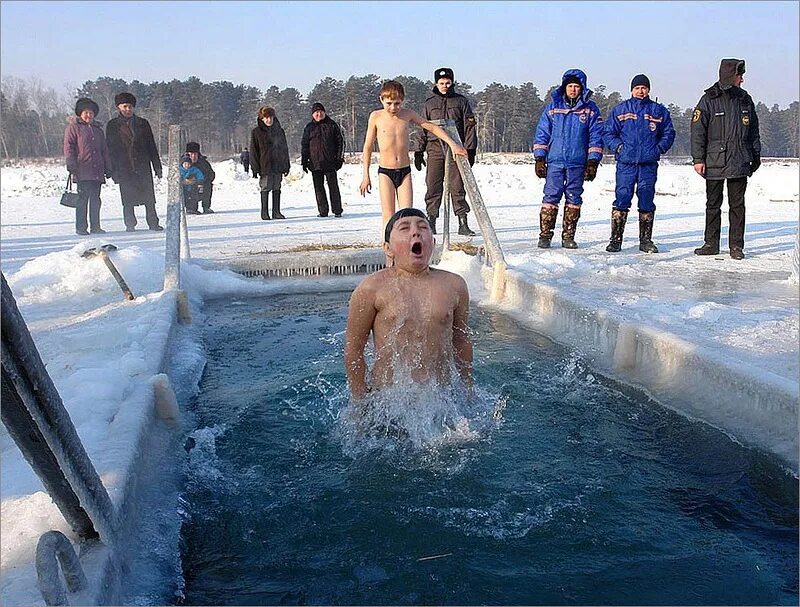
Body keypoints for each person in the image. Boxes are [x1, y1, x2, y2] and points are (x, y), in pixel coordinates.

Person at [344, 208, 473, 403]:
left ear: (433, 242)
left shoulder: (454, 285)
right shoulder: (371, 288)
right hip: (388, 398)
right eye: (404, 228)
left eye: (423, 227)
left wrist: (468, 388)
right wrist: (359, 401)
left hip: (440, 396)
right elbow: (354, 349)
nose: (415, 232)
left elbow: (461, 341)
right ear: (388, 248)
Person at [359, 80, 467, 233]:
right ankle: (389, 249)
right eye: (389, 103)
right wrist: (365, 176)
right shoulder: (376, 117)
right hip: (385, 172)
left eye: (397, 103)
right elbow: (368, 146)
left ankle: (407, 251)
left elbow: (430, 126)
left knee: (406, 215)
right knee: (389, 216)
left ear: (402, 101)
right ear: (381, 99)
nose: (393, 108)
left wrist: (452, 144)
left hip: (404, 171)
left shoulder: (407, 114)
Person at [691, 58, 761, 260]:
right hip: (714, 160)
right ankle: (711, 243)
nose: (742, 80)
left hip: (739, 159)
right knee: (713, 204)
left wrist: (755, 155)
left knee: (737, 206)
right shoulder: (708, 99)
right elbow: (697, 132)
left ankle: (736, 246)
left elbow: (754, 131)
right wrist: (698, 158)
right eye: (740, 76)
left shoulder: (745, 99)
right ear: (731, 76)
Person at [603, 74, 676, 253]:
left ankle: (645, 241)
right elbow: (608, 133)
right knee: (622, 197)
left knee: (646, 199)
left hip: (648, 164)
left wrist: (658, 149)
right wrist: (618, 147)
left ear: (649, 90)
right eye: (637, 88)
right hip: (626, 163)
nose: (640, 91)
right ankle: (616, 240)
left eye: (644, 88)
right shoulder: (621, 110)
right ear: (632, 90)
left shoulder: (658, 111)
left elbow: (669, 132)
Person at [533, 69, 604, 249]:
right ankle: (545, 235)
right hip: (555, 160)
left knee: (574, 197)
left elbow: (596, 136)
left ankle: (568, 236)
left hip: (577, 162)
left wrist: (593, 161)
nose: (573, 89)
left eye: (576, 86)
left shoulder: (590, 109)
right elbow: (542, 133)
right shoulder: (553, 107)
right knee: (551, 196)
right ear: (564, 87)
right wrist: (540, 158)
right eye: (570, 86)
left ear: (582, 88)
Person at [412, 67, 478, 236]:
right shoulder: (429, 103)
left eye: (448, 82)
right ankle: (431, 220)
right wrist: (418, 151)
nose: (445, 86)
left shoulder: (461, 101)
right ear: (436, 83)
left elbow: (469, 127)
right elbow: (422, 127)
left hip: (456, 149)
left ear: (452, 82)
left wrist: (470, 150)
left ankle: (463, 222)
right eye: (441, 83)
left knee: (457, 186)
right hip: (434, 149)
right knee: (433, 186)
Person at [105, 92, 163, 232]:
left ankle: (153, 223)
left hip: (142, 166)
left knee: (149, 198)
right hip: (124, 167)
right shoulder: (112, 125)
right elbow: (110, 149)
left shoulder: (143, 124)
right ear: (118, 107)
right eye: (125, 106)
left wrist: (157, 167)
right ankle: (130, 225)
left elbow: (151, 146)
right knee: (127, 199)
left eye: (130, 106)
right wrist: (112, 170)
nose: (128, 109)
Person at [63, 97, 112, 235]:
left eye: (91, 112)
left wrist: (108, 167)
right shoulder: (73, 128)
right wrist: (71, 164)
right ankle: (81, 227)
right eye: (86, 112)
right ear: (80, 113)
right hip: (82, 169)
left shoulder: (98, 130)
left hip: (97, 170)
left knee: (96, 200)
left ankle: (96, 226)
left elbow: (104, 150)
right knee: (82, 199)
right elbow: (69, 147)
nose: (88, 115)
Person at [301, 102, 345, 217]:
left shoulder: (332, 125)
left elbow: (340, 142)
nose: (318, 114)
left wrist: (339, 158)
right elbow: (305, 145)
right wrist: (304, 162)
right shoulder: (309, 127)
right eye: (316, 112)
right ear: (312, 114)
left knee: (333, 187)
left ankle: (337, 210)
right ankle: (323, 211)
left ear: (324, 112)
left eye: (320, 112)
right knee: (318, 188)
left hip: (330, 162)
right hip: (315, 163)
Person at [250, 106, 290, 220]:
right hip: (265, 166)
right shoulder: (256, 132)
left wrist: (286, 165)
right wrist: (255, 168)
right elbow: (254, 151)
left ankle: (276, 212)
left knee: (277, 187)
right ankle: (264, 212)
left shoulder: (279, 131)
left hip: (278, 165)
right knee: (265, 188)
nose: (269, 120)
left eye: (270, 117)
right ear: (262, 118)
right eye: (266, 117)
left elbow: (284, 149)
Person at [185, 142, 216, 214]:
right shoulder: (183, 163)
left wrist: (203, 180)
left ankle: (206, 207)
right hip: (187, 188)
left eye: (195, 154)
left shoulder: (203, 163)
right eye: (191, 154)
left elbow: (211, 175)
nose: (193, 156)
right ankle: (191, 208)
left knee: (208, 185)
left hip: (201, 186)